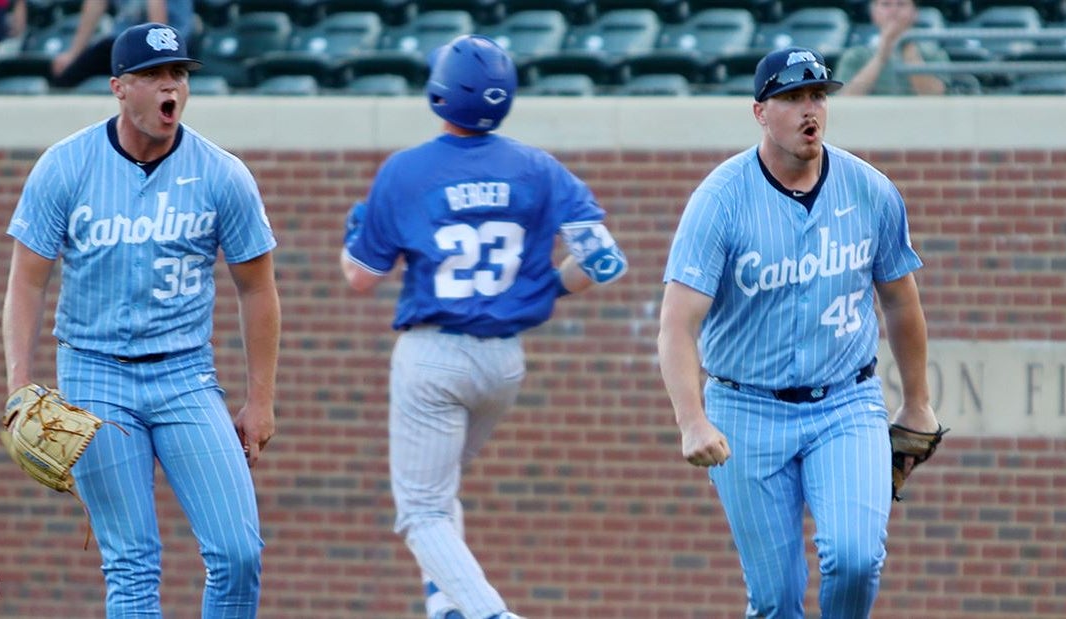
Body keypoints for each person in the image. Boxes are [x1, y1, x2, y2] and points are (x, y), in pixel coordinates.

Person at [340, 34, 627, 619]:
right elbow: (604, 261)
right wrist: (542, 288)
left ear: (440, 93)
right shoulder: (536, 166)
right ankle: (444, 603)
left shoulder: (407, 170)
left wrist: (354, 237)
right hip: (504, 363)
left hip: (433, 354)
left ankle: (487, 612)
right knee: (439, 490)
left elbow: (361, 278)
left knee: (420, 510)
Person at [1, 22, 279, 618]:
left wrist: (261, 400)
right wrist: (19, 384)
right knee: (132, 565)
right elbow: (27, 280)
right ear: (118, 88)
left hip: (186, 375)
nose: (168, 86)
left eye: (177, 73)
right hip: (95, 374)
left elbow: (257, 290)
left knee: (237, 552)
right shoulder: (65, 166)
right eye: (152, 75)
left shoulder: (222, 174)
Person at [657, 46, 942, 618]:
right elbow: (675, 326)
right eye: (791, 97)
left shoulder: (869, 189)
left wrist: (918, 403)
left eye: (817, 95)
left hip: (846, 402)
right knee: (776, 598)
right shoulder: (720, 200)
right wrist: (692, 420)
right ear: (760, 112)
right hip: (745, 411)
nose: (809, 109)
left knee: (856, 558)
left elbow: (900, 301)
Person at [51, 0, 195, 88]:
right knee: (66, 77)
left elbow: (158, 22)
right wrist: (73, 54)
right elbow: (96, 3)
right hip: (122, 41)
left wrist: (160, 56)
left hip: (170, 43)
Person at [834, 0, 949, 96]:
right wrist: (881, 57)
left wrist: (909, 50)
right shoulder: (855, 56)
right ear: (873, 13)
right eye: (886, 4)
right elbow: (845, 99)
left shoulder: (934, 54)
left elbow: (937, 98)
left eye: (901, 4)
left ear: (915, 13)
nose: (894, 11)